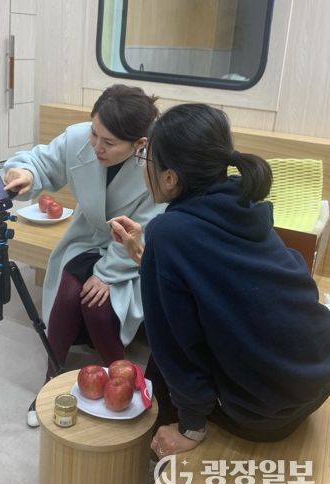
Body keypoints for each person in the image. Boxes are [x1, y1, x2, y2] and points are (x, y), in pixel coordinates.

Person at [109, 103, 330, 460]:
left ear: (170, 178)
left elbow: (177, 348)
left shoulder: (169, 231)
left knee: (160, 363)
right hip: (315, 379)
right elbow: (226, 278)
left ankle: (160, 465)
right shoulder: (243, 200)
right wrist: (147, 258)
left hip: (262, 412)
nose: (144, 167)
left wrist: (190, 426)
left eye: (147, 158)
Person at [3, 84, 165, 427]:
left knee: (97, 305)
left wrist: (107, 273)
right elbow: (42, 162)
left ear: (139, 144)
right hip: (86, 237)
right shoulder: (79, 137)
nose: (96, 146)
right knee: (69, 290)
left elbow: (147, 231)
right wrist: (26, 173)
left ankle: (123, 381)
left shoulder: (155, 165)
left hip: (129, 254)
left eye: (109, 142)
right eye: (95, 133)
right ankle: (51, 379)